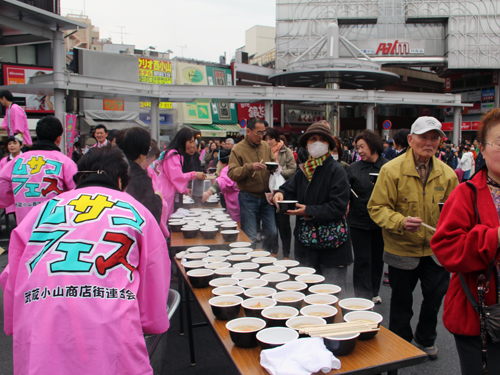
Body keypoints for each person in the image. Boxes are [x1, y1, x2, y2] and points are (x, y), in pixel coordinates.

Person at [0, 146, 171, 375]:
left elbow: (12, 274)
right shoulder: (136, 212)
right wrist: (153, 321)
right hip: (111, 333)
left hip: (40, 328)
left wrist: (13, 320)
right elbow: (155, 281)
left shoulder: (41, 211)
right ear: (121, 180)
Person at [367, 116, 459, 360]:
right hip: (402, 250)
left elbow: (456, 213)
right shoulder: (391, 170)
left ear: (440, 141)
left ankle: (425, 338)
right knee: (400, 304)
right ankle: (400, 345)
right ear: (410, 139)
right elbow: (377, 208)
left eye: (434, 138)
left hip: (436, 251)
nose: (429, 143)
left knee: (434, 300)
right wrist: (400, 221)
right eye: (423, 137)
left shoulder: (448, 175)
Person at [431, 109, 500, 374]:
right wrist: (493, 237)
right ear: (481, 149)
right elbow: (446, 250)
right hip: (479, 315)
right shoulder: (465, 194)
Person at [273, 122, 352, 291]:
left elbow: (338, 206)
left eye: (322, 139)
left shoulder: (337, 170)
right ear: (306, 144)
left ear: (329, 145)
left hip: (332, 245)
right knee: (307, 291)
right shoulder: (304, 170)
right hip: (307, 243)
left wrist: (308, 210)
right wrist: (279, 194)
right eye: (313, 139)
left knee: (331, 294)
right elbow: (288, 189)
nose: (317, 143)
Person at [0, 116, 77, 224]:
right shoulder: (66, 162)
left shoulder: (14, 162)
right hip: (56, 229)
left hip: (25, 230)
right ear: (59, 138)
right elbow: (77, 195)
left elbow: (2, 197)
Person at [347, 130, 388, 304]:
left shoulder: (388, 167)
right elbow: (346, 192)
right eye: (357, 148)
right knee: (362, 259)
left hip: (381, 223)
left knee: (377, 259)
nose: (359, 151)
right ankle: (361, 295)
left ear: (373, 145)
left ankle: (373, 291)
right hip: (358, 221)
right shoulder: (353, 168)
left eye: (362, 147)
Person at [228, 118, 277, 252]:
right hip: (248, 197)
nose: (262, 136)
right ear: (248, 131)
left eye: (263, 133)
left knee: (272, 232)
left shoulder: (266, 147)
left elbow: (274, 162)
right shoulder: (238, 149)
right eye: (259, 133)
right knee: (250, 236)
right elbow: (232, 173)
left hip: (267, 197)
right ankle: (249, 266)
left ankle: (265, 259)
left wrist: (276, 168)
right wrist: (249, 167)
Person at [116, 127, 162, 224]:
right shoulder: (140, 177)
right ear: (142, 154)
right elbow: (152, 216)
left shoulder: (110, 168)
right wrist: (157, 197)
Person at [158, 127, 206, 217]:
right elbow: (177, 177)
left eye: (193, 142)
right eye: (190, 142)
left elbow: (175, 179)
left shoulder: (175, 154)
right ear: (182, 141)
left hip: (167, 194)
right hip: (165, 195)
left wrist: (186, 191)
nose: (192, 145)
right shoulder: (172, 154)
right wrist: (195, 174)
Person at [265, 127, 296, 258]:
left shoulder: (286, 151)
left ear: (276, 138)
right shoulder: (264, 152)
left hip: (284, 191)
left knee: (284, 224)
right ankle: (274, 249)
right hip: (269, 192)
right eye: (265, 139)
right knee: (271, 224)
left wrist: (280, 170)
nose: (268, 142)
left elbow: (293, 169)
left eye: (270, 139)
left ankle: (286, 253)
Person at [216, 149, 240, 222]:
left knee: (237, 227)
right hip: (244, 203)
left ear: (221, 162)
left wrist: (210, 191)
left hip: (235, 205)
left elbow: (222, 183)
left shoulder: (226, 170)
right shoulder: (238, 166)